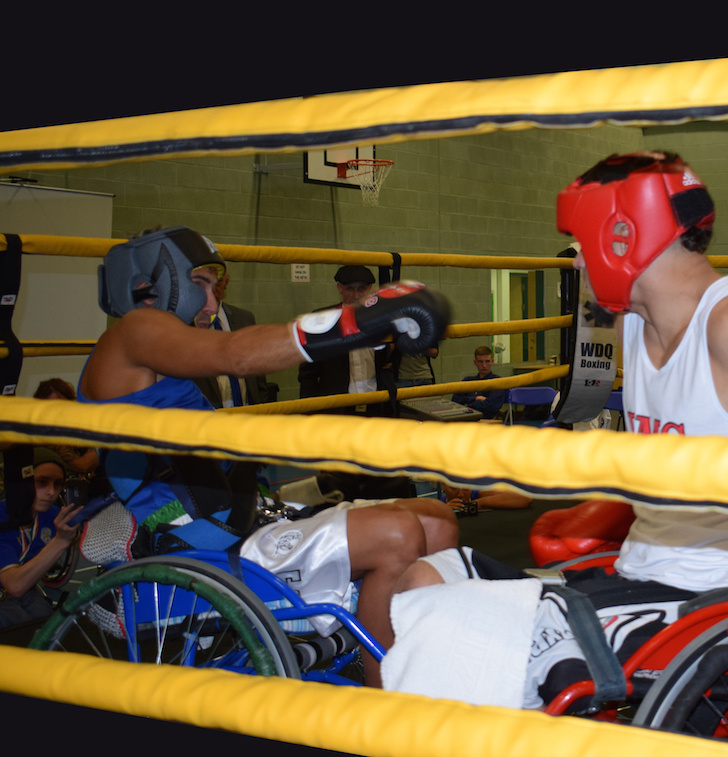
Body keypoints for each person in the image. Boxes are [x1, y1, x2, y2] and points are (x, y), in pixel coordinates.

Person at [383, 152, 728, 709]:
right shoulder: (632, 324)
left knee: (449, 629)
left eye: (580, 244)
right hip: (636, 577)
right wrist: (615, 502)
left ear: (621, 235)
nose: (575, 264)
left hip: (720, 600)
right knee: (423, 580)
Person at [77, 226, 457, 687]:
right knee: (396, 533)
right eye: (199, 283)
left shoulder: (156, 366)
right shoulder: (134, 330)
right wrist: (355, 322)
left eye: (215, 286)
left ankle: (424, 670)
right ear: (149, 287)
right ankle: (388, 709)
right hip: (194, 543)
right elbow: (234, 354)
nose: (212, 301)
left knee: (436, 519)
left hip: (238, 524)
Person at [298, 264, 393, 416]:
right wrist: (308, 410)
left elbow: (386, 363)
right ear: (339, 288)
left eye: (361, 289)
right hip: (338, 407)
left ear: (369, 288)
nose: (356, 295)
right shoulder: (322, 320)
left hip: (375, 404)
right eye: (350, 289)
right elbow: (308, 373)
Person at [0, 449, 80, 628]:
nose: (51, 492)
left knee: (50, 623)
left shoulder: (52, 516)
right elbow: (15, 585)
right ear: (22, 483)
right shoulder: (2, 516)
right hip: (13, 588)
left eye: (57, 484)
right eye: (41, 482)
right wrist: (60, 541)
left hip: (24, 592)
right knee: (19, 626)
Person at [192, 271, 270, 407]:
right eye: (204, 284)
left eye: (217, 283)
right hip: (209, 418)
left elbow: (258, 376)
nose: (213, 289)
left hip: (248, 415)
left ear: (225, 284)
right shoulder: (185, 323)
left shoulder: (244, 319)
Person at [450, 345, 506, 419]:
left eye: (487, 361)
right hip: (465, 420)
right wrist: (476, 398)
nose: (484, 365)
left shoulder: (497, 381)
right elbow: (455, 401)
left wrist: (467, 406)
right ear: (475, 362)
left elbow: (492, 406)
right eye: (480, 362)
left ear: (492, 362)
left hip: (486, 420)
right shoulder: (467, 381)